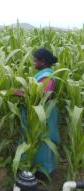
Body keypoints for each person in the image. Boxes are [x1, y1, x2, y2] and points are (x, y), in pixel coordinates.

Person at [14, 48, 60, 178]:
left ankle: (41, 173)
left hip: (42, 116)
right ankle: (30, 169)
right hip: (38, 115)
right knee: (34, 141)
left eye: (35, 60)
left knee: (42, 144)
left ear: (43, 61)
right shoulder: (43, 74)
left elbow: (42, 97)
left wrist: (20, 94)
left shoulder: (47, 77)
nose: (33, 62)